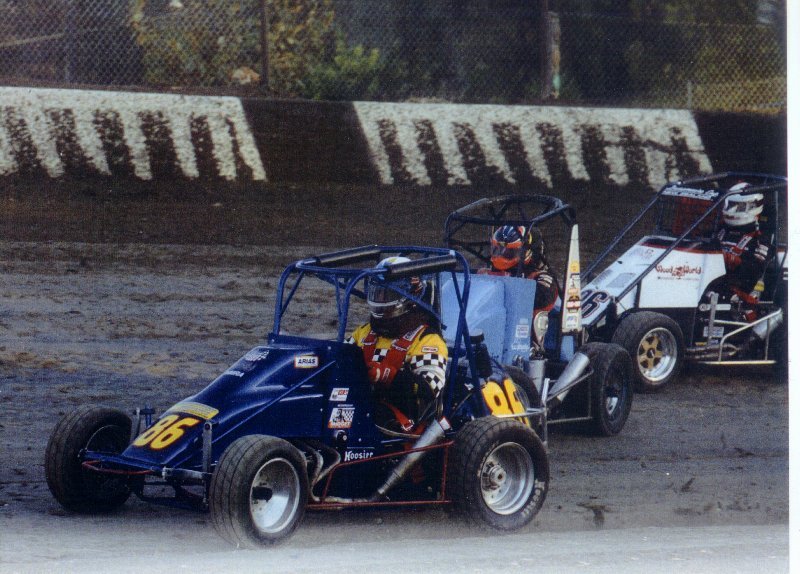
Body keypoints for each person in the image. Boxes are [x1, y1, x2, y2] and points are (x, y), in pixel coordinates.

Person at [347, 257, 448, 432]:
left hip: (401, 417)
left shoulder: (427, 339)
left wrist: (387, 375)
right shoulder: (364, 332)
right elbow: (338, 359)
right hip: (358, 404)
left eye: (388, 295)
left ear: (409, 296)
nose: (381, 300)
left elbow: (429, 389)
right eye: (378, 293)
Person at [714, 183, 772, 321]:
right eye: (731, 205)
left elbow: (753, 272)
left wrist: (730, 259)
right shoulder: (721, 230)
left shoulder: (760, 238)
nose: (732, 210)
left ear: (752, 207)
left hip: (741, 293)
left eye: (737, 206)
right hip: (715, 284)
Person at [479, 225, 559, 316]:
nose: (500, 255)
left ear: (525, 252)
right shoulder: (484, 273)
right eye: (497, 250)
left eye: (508, 252)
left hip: (524, 326)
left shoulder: (540, 277)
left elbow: (543, 298)